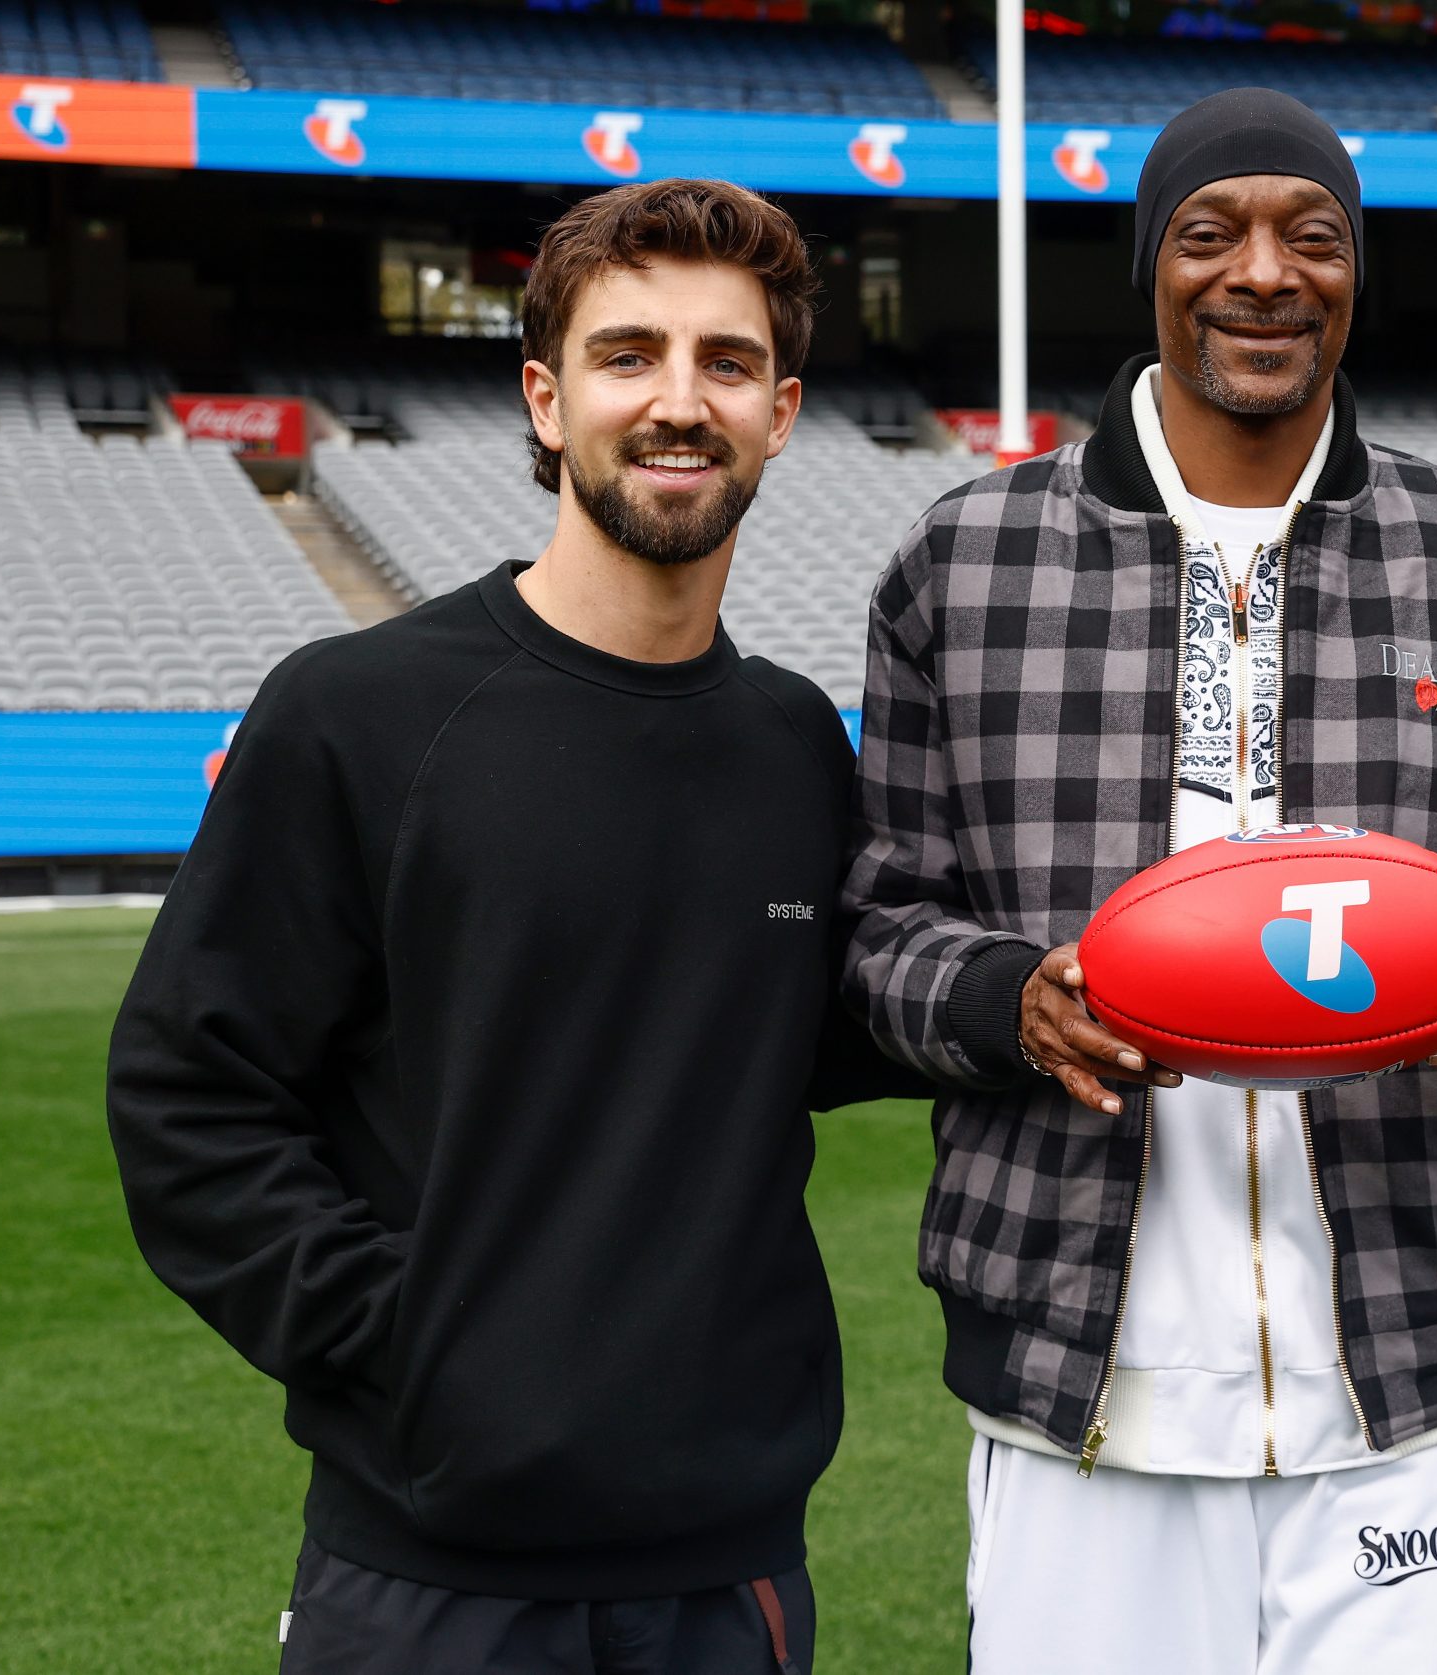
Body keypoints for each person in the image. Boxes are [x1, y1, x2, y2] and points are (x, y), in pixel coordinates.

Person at [843, 88, 1437, 1675]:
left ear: (1357, 271)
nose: (1264, 274)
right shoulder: (968, 561)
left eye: (1313, 238)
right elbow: (878, 927)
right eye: (1211, 234)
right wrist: (1012, 1002)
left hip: (1411, 1372)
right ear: (1151, 265)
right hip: (1082, 1374)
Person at [106, 178, 907, 1675]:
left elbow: (822, 1022)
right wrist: (419, 1342)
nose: (680, 403)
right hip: (428, 1580)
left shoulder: (796, 744)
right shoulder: (357, 715)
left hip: (727, 1577)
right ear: (546, 399)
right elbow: (187, 1095)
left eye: (726, 364)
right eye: (629, 357)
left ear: (783, 411)